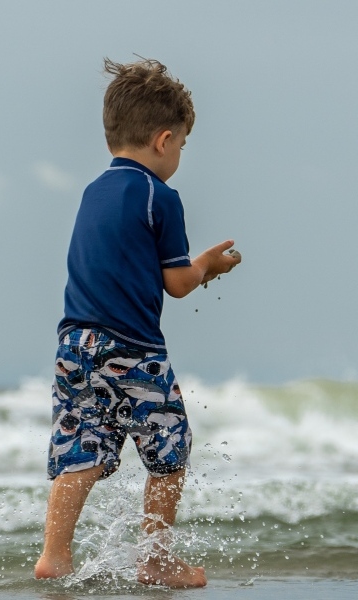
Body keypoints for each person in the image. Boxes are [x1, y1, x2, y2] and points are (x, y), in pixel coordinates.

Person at [33, 57, 241, 588]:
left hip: (74, 340)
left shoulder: (92, 192)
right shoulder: (160, 197)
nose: (179, 158)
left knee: (80, 445)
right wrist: (208, 268)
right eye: (183, 147)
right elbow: (176, 282)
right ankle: (155, 559)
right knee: (170, 444)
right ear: (164, 140)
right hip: (132, 345)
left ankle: (55, 555)